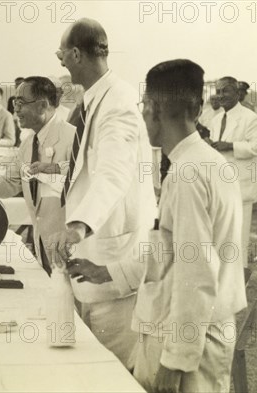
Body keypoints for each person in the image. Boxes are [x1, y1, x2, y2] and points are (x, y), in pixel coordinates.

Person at [89, 58, 246, 393]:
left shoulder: (188, 174)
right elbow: (169, 253)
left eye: (143, 105)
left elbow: (195, 276)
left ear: (152, 108)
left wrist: (173, 364)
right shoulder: (210, 163)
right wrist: (112, 272)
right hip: (194, 332)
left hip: (186, 343)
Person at [47, 18, 157, 369]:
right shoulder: (95, 100)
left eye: (61, 54)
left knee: (116, 372)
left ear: (76, 53)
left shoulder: (118, 102)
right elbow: (88, 169)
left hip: (114, 260)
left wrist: (77, 227)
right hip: (94, 260)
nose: (60, 61)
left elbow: (114, 173)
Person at [0, 76, 75, 274]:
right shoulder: (28, 144)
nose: (16, 110)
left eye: (21, 103)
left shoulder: (72, 138)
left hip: (74, 250)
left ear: (42, 105)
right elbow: (7, 184)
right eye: (15, 103)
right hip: (45, 249)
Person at [211, 76, 257, 267]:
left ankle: (238, 288)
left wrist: (231, 146)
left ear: (237, 93)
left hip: (240, 190)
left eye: (225, 90)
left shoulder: (251, 118)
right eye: (218, 91)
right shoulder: (216, 119)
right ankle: (222, 289)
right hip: (218, 189)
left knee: (238, 243)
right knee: (220, 241)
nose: (221, 95)